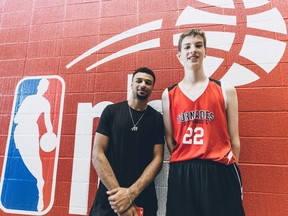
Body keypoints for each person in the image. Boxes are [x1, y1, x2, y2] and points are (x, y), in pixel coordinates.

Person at [162, 29, 245, 215]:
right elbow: (170, 139)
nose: (193, 50)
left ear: (205, 52)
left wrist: (230, 169)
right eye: (187, 47)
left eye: (199, 45)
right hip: (183, 171)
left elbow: (235, 140)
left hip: (219, 168)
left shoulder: (225, 89)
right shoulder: (169, 94)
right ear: (179, 55)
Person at [90, 67, 165, 216]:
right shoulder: (111, 111)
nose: (143, 84)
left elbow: (158, 158)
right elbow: (97, 154)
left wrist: (130, 194)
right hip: (109, 198)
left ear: (152, 88)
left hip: (143, 197)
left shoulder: (157, 119)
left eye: (148, 82)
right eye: (139, 80)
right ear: (131, 84)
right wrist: (120, 199)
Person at [13, 78, 53, 212]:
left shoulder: (45, 103)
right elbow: (16, 118)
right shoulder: (28, 99)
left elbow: (48, 122)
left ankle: (40, 188)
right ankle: (38, 183)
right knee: (25, 161)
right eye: (43, 85)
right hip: (21, 131)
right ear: (39, 86)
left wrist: (51, 134)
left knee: (35, 159)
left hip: (31, 130)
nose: (44, 88)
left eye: (46, 86)